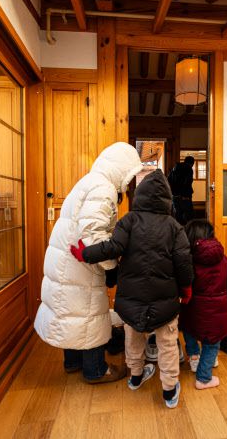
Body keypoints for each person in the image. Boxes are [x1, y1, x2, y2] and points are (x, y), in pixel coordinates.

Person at [70, 170, 194, 408]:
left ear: (140, 195)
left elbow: (112, 247)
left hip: (131, 298)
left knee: (133, 338)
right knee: (168, 344)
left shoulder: (129, 220)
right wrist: (186, 288)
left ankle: (135, 377)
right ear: (167, 199)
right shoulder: (174, 226)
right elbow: (183, 262)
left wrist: (85, 254)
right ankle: (169, 390)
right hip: (165, 299)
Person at [33, 142, 143, 384]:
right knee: (88, 311)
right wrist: (112, 267)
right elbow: (93, 236)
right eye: (129, 176)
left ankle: (72, 362)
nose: (129, 183)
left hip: (66, 259)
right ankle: (95, 370)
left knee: (70, 309)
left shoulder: (89, 181)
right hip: (80, 261)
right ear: (121, 169)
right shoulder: (103, 188)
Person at [179, 220, 227, 389]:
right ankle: (204, 378)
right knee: (212, 343)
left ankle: (194, 357)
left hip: (192, 308)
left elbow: (181, 282)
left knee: (189, 330)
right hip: (216, 313)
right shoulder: (223, 259)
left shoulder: (188, 259)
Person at [168, 155, 195, 225]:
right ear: (191, 163)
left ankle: (178, 228)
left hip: (175, 195)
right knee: (188, 214)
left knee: (178, 213)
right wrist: (184, 194)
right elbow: (188, 182)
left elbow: (169, 180)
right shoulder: (188, 168)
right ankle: (188, 229)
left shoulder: (174, 168)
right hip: (185, 195)